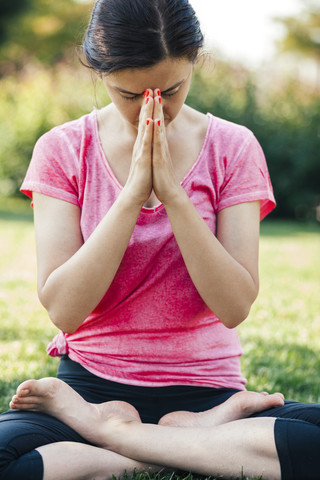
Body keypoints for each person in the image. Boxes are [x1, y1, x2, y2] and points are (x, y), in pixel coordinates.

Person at [0, 0, 319, 479]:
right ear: (102, 74)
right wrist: (131, 196)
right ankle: (186, 442)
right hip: (89, 387)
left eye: (171, 89)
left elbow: (233, 306)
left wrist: (172, 193)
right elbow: (64, 310)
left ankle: (116, 437)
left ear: (194, 62)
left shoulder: (234, 146)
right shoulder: (63, 149)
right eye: (129, 94)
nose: (152, 108)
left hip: (209, 394)